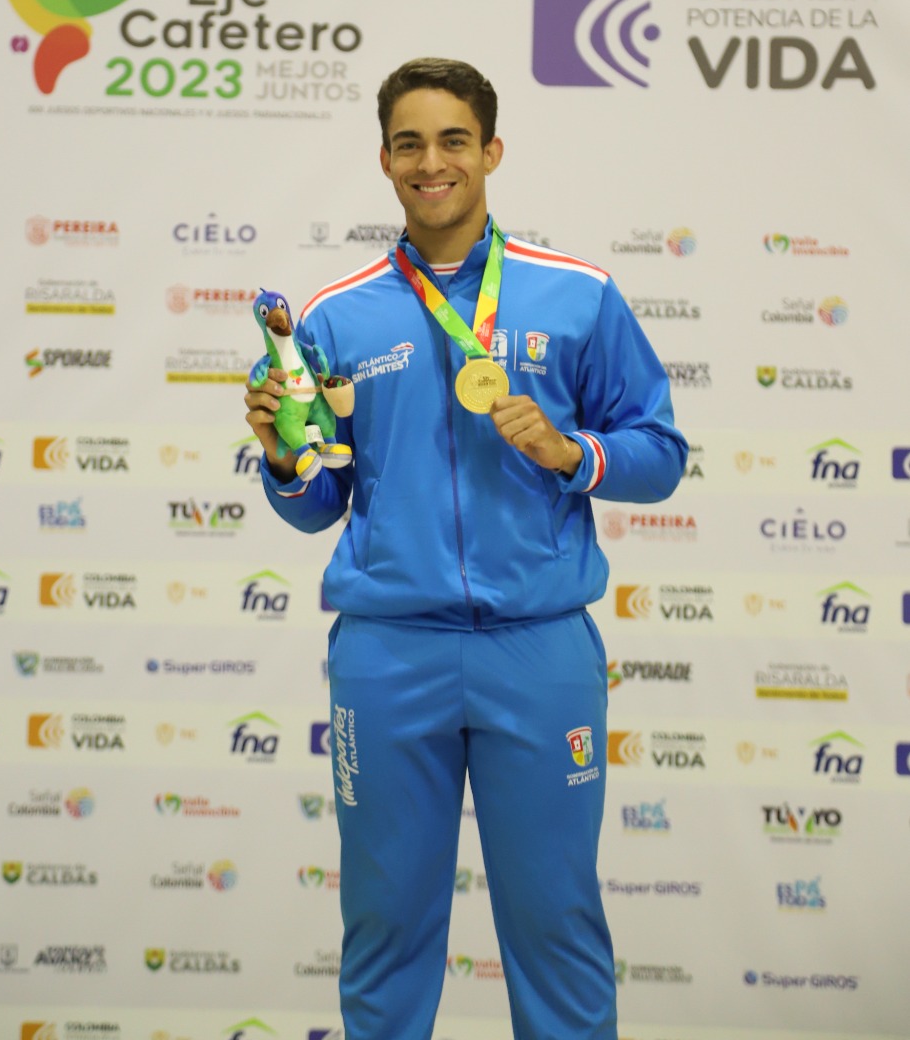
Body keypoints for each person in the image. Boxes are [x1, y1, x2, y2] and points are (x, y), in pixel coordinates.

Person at [244, 57, 687, 1040]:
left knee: (555, 921)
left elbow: (660, 455)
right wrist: (281, 457)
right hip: (387, 652)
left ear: (490, 150)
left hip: (537, 648)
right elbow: (318, 501)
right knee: (386, 926)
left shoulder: (577, 294)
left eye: (452, 140)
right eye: (409, 142)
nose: (430, 161)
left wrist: (573, 451)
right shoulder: (334, 317)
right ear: (384, 159)